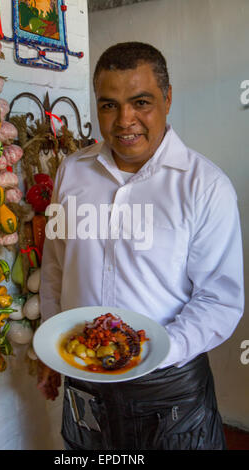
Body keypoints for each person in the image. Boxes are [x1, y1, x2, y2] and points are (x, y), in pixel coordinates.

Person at [38, 42, 244, 450]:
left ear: (167, 99)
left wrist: (150, 354)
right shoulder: (72, 171)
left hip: (169, 391)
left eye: (141, 102)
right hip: (85, 378)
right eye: (109, 105)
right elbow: (56, 266)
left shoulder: (204, 186)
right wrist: (51, 347)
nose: (124, 121)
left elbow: (219, 300)